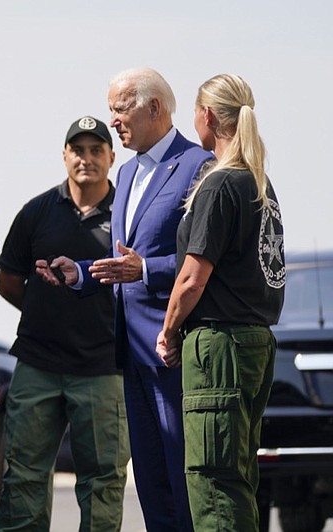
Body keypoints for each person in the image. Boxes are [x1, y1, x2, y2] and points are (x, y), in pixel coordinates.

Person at [37, 68, 214, 531]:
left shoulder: (198, 166)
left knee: (183, 480)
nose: (112, 119)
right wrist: (80, 276)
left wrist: (149, 270)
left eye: (119, 108)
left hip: (171, 353)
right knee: (152, 484)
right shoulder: (130, 171)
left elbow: (213, 263)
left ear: (154, 107)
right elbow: (123, 263)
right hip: (131, 357)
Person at [155, 74, 284, 531]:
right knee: (238, 477)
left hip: (219, 349)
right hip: (256, 344)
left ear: (207, 116)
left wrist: (169, 331)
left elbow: (191, 278)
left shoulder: (220, 185)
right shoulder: (260, 186)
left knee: (212, 481)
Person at [0, 116, 130, 532]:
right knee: (23, 476)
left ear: (111, 156)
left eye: (95, 150)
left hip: (103, 368)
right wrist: (47, 312)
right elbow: (9, 283)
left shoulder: (127, 212)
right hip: (38, 363)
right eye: (78, 150)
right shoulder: (36, 212)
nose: (86, 158)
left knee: (103, 480)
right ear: (65, 155)